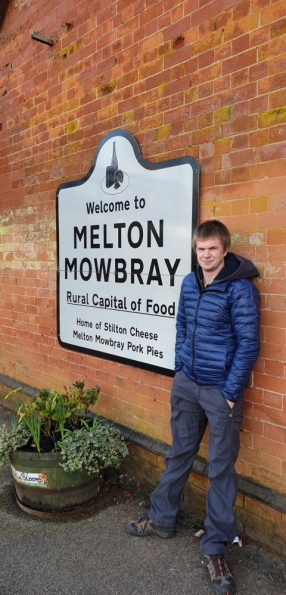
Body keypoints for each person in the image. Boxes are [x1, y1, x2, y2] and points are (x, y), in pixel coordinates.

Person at [124, 220, 260, 595]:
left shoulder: (240, 288)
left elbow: (249, 343)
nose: (205, 255)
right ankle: (161, 517)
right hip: (187, 384)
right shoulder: (189, 282)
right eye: (200, 250)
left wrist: (230, 392)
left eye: (212, 249)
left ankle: (215, 546)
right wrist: (180, 367)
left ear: (225, 250)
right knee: (178, 453)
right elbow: (182, 326)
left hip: (220, 392)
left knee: (220, 467)